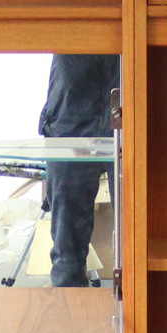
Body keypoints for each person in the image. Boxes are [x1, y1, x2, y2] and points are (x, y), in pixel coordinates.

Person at [39, 54, 118, 287]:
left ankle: (138, 320)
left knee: (138, 246)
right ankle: (68, 320)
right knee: (66, 256)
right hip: (71, 109)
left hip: (130, 94)